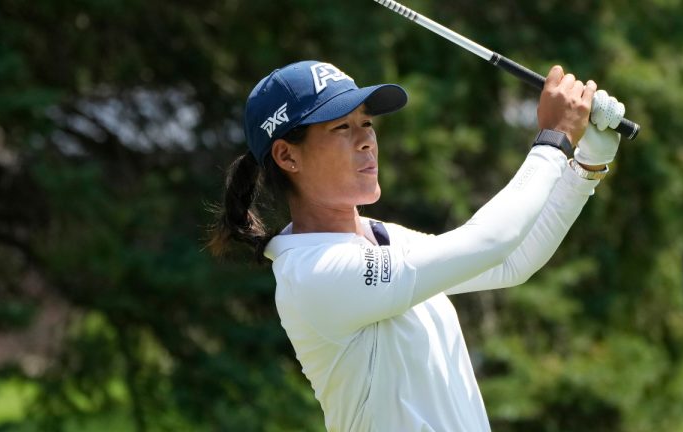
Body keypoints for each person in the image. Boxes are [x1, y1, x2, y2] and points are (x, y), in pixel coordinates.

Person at [208, 60, 623, 431]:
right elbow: (491, 241)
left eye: (366, 122)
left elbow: (511, 259)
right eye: (341, 127)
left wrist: (584, 167)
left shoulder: (383, 237)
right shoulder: (313, 274)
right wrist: (554, 141)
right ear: (287, 156)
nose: (366, 140)